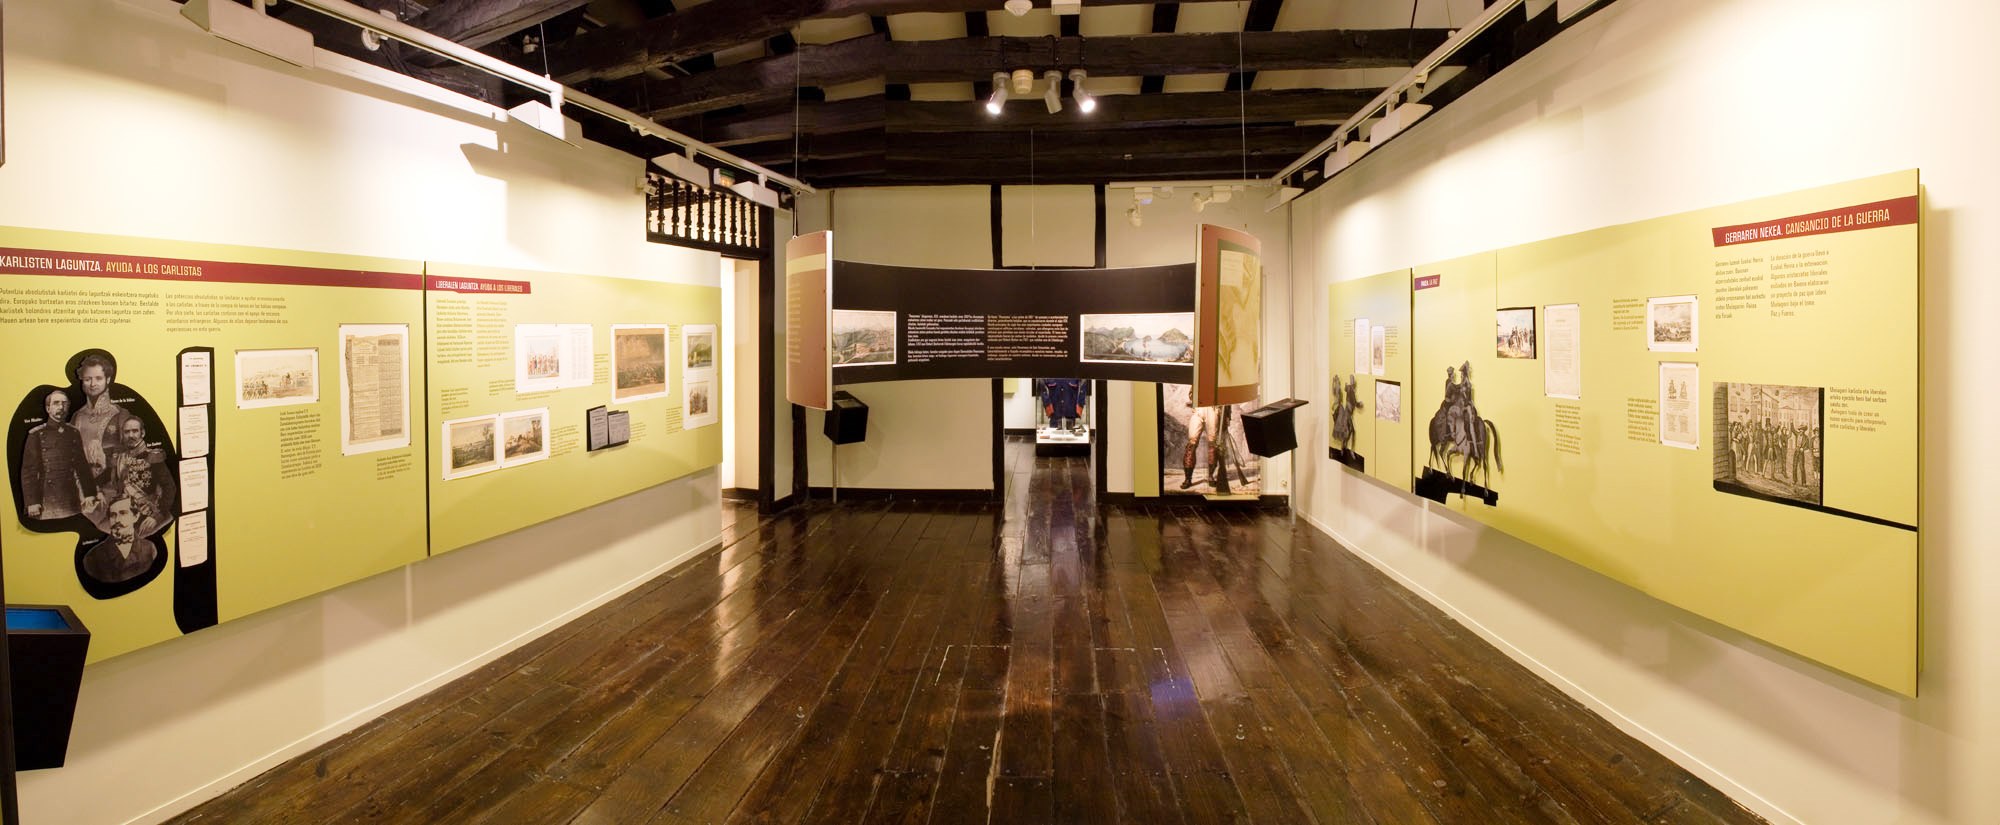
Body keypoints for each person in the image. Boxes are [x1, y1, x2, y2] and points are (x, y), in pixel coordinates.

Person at [21, 388, 99, 520]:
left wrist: (89, 493)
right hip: (46, 498)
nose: (61, 407)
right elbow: (29, 471)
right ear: (48, 408)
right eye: (56, 403)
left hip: (71, 497)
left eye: (64, 403)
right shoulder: (36, 434)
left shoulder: (73, 432)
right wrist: (32, 502)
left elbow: (82, 465)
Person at [98, 416, 175, 536]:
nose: (131, 435)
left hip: (146, 513)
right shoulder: (119, 458)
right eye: (127, 432)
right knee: (102, 527)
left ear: (142, 433)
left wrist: (157, 516)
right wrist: (97, 490)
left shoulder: (152, 457)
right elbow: (101, 479)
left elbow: (170, 488)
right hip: (122, 511)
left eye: (135, 431)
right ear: (123, 434)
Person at [70, 353, 134, 481]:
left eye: (98, 378)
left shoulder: (120, 414)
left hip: (113, 485)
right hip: (79, 485)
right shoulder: (77, 416)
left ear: (108, 379)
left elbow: (132, 455)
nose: (93, 384)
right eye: (87, 379)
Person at [81, 496, 157, 584]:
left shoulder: (150, 549)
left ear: (136, 516)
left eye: (123, 513)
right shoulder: (92, 557)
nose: (117, 520)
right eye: (112, 515)